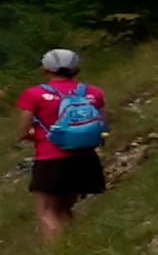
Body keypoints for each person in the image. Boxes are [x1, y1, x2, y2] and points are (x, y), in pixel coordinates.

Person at [21, 46, 108, 239]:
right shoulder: (93, 92)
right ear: (76, 69)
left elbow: (23, 131)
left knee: (48, 211)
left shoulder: (34, 94)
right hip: (86, 159)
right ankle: (72, 250)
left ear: (45, 69)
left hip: (51, 158)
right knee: (66, 209)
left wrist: (39, 135)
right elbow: (103, 125)